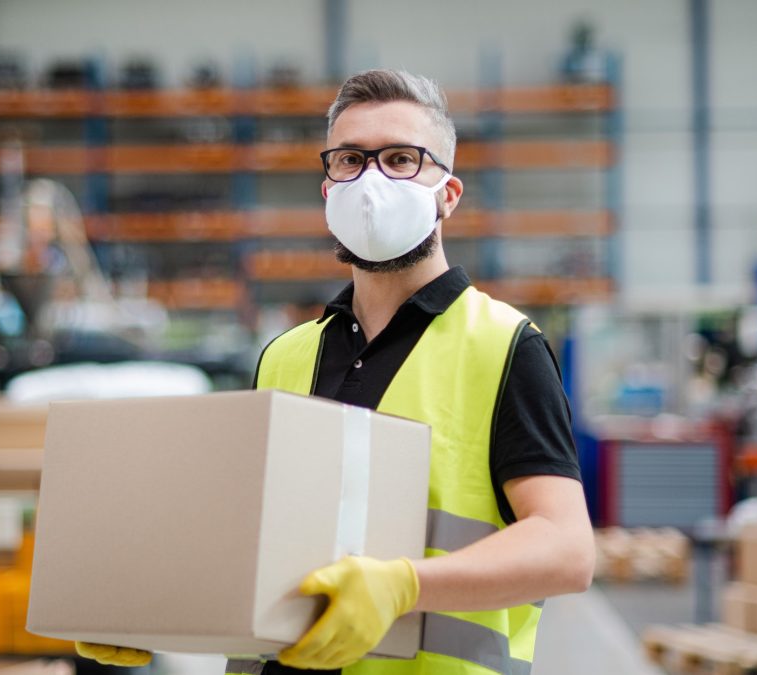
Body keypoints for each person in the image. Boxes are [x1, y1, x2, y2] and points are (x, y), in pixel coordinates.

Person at [78, 69, 595, 675]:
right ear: (328, 188)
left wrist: (405, 586)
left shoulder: (503, 345)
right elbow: (247, 538)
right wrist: (148, 606)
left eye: (401, 158)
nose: (371, 179)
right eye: (350, 159)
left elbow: (566, 549)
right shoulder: (285, 356)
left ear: (447, 194)